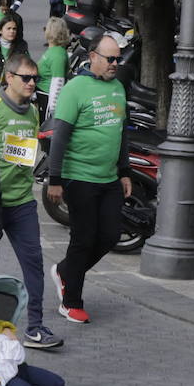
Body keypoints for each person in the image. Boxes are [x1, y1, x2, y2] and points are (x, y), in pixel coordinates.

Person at [46, 34, 130, 325]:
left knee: (109, 235)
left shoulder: (118, 88)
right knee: (83, 239)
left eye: (118, 59)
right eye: (110, 58)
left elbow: (121, 133)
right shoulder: (75, 89)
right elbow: (59, 138)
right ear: (92, 56)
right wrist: (54, 179)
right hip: (78, 176)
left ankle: (66, 271)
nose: (115, 64)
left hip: (108, 178)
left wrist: (125, 171)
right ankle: (71, 302)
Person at [0, 53, 61, 349]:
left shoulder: (32, 110)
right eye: (26, 78)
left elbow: (27, 150)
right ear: (9, 78)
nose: (32, 83)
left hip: (21, 202)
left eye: (35, 79)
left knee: (34, 263)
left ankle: (35, 327)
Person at [39, 17, 70, 116]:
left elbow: (57, 82)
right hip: (42, 96)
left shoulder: (57, 55)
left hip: (47, 99)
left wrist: (53, 109)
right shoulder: (53, 50)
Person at [0, 11, 30, 80]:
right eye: (8, 28)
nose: (12, 31)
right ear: (0, 30)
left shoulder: (22, 48)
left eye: (14, 29)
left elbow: (28, 66)